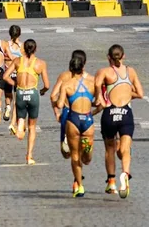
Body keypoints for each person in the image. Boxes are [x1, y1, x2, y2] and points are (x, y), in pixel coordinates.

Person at [94, 44, 144, 198]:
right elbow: (141, 94)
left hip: (109, 113)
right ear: (123, 56)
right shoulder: (131, 71)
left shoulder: (104, 72)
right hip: (125, 113)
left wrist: (100, 97)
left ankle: (111, 182)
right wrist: (128, 92)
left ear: (108, 57)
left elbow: (96, 84)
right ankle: (125, 173)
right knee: (125, 149)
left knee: (109, 149)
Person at [53, 50, 97, 197]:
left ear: (71, 68)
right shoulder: (92, 83)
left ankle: (80, 186)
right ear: (83, 67)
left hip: (73, 119)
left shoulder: (67, 84)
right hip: (88, 120)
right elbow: (101, 102)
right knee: (87, 159)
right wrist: (92, 111)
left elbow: (59, 104)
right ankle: (87, 149)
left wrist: (60, 107)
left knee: (74, 156)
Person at [6, 38, 50, 164]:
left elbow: (5, 76)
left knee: (21, 113)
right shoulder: (40, 63)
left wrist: (16, 83)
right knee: (32, 126)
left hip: (20, 92)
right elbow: (47, 85)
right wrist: (41, 91)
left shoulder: (17, 61)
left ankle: (20, 122)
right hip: (33, 94)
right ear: (35, 49)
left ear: (23, 49)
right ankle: (29, 156)